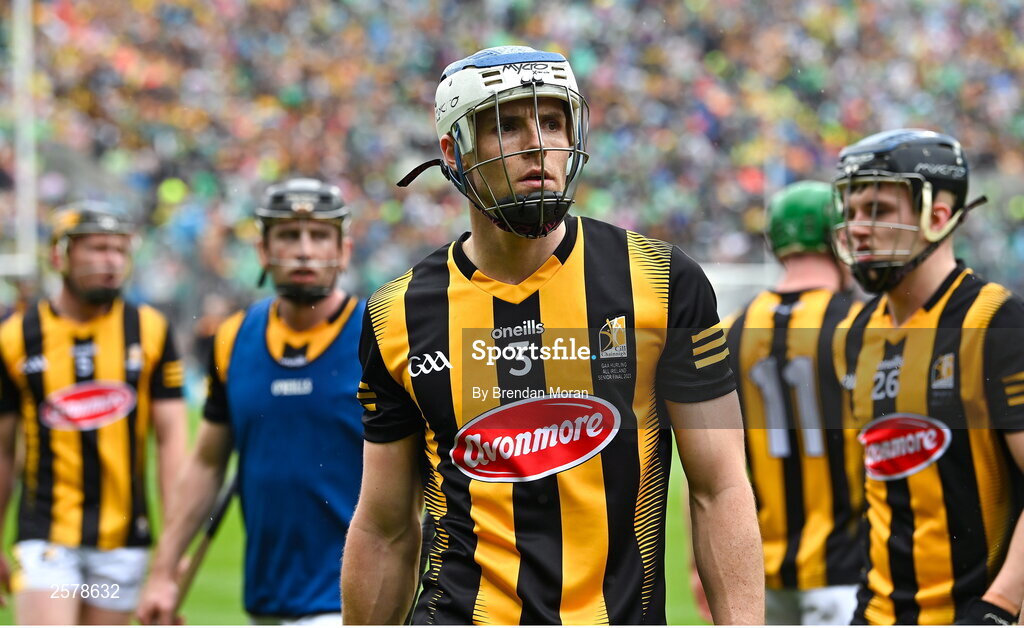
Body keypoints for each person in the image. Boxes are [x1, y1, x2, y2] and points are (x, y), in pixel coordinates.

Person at [342, 45, 763, 625]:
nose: (537, 144)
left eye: (553, 122)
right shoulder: (397, 314)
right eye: (507, 126)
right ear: (454, 152)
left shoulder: (662, 280)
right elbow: (385, 528)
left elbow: (720, 488)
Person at [136, 177, 365, 625]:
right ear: (262, 251)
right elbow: (207, 464)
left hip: (353, 603)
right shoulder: (233, 337)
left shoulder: (380, 337)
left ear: (344, 251)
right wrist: (163, 572)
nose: (304, 250)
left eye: (320, 236)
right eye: (288, 235)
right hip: (265, 600)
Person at [831, 129, 1024, 625]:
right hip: (875, 613)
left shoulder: (994, 322)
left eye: (877, 210)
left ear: (937, 217)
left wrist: (999, 606)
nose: (858, 228)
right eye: (851, 211)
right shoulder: (854, 334)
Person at [0, 201, 187, 624]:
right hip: (46, 538)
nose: (112, 261)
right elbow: (3, 450)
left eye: (120, 250)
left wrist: (173, 548)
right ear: (60, 255)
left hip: (122, 542)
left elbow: (172, 442)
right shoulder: (15, 337)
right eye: (98, 248)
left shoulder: (150, 330)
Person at [704, 181, 865, 624]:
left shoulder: (728, 332)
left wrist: (702, 566)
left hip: (756, 575)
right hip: (849, 571)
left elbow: (706, 465)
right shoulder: (863, 327)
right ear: (838, 239)